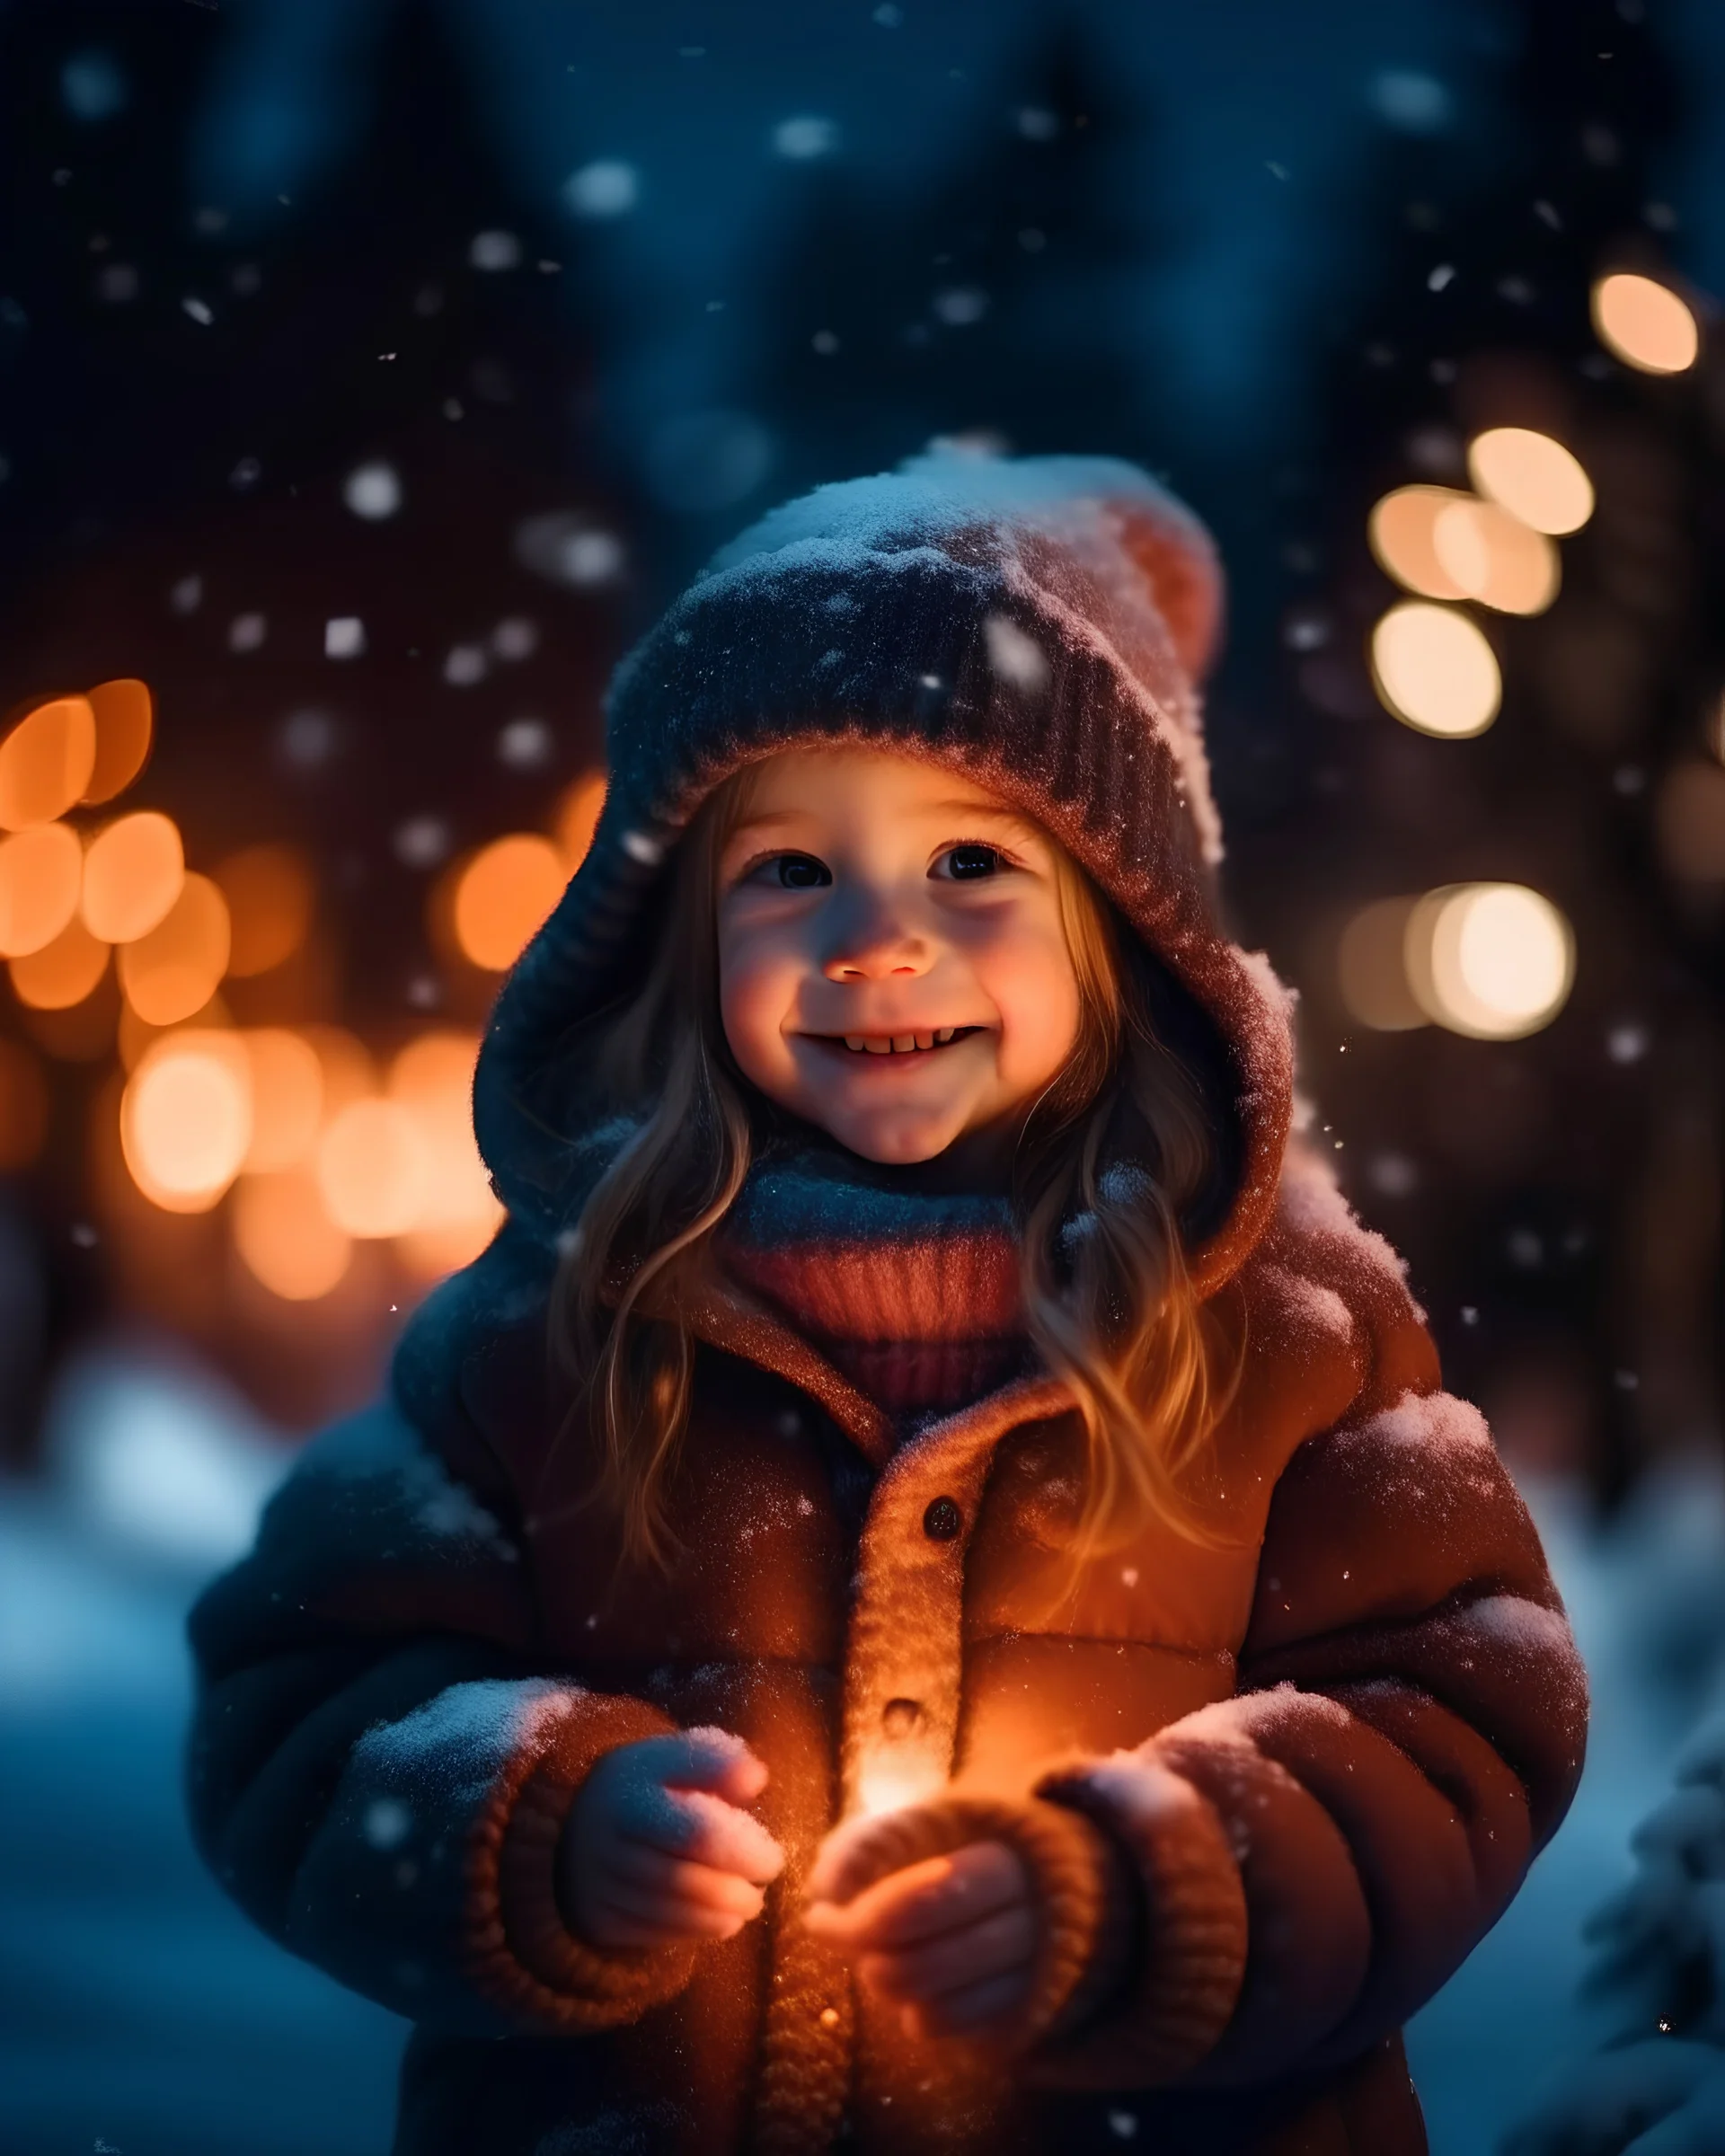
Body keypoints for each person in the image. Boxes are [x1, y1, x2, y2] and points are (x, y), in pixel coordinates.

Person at [186, 453, 1588, 2155]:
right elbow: (300, 1703)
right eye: (788, 872)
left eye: (972, 865)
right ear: (675, 932)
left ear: (1119, 927)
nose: (872, 941)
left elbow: (1462, 1710)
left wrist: (1160, 1885)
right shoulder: (554, 1331)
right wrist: (526, 1824)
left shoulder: (1283, 1335)